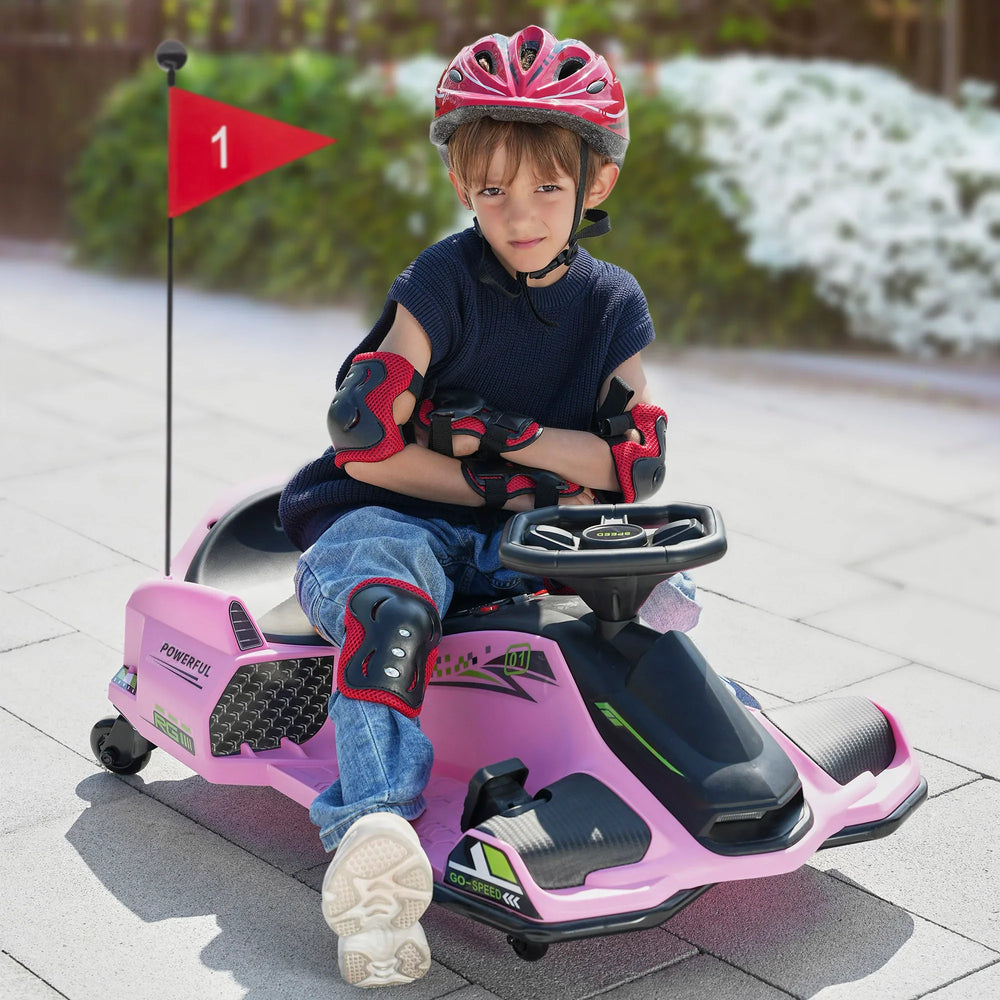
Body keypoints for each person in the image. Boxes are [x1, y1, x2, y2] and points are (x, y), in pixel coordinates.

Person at [278, 25, 698, 988]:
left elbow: (631, 466)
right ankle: (374, 831)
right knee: (392, 608)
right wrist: (498, 480)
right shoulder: (442, 280)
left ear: (596, 182)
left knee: (643, 588)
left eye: (548, 187)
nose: (520, 213)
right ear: (462, 183)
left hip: (513, 528)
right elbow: (368, 440)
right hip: (381, 519)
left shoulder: (611, 303)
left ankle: (681, 758)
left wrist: (507, 440)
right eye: (494, 189)